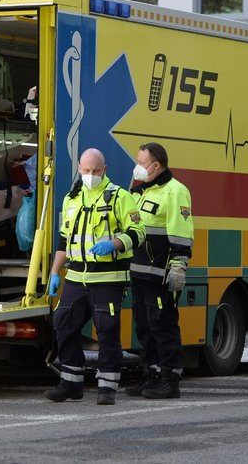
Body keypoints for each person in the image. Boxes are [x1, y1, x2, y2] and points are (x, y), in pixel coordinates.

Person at [44, 148, 145, 405]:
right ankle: (71, 382)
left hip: (108, 277)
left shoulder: (120, 197)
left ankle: (107, 387)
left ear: (105, 170)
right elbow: (64, 239)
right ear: (79, 169)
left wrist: (116, 243)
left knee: (107, 330)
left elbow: (138, 231)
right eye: (87, 171)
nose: (91, 175)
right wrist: (55, 272)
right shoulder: (72, 199)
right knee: (63, 325)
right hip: (77, 276)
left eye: (96, 171)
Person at [126, 142, 194, 399]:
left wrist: (179, 265)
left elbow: (182, 233)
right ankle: (151, 375)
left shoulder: (175, 192)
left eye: (142, 163)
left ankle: (170, 379)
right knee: (144, 326)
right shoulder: (139, 191)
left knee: (163, 326)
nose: (138, 167)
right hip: (140, 272)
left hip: (161, 274)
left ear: (156, 165)